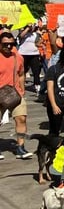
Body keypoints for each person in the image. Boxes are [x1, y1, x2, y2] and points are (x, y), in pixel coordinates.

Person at [0, 31, 30, 159]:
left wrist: (22, 91)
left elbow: (21, 74)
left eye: (11, 44)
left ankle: (20, 147)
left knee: (21, 118)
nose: (8, 47)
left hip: (15, 93)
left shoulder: (18, 57)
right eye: (5, 44)